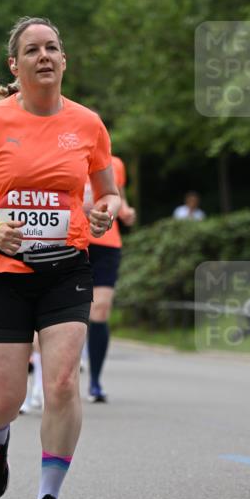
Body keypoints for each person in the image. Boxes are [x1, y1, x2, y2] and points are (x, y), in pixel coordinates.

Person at [0, 16, 120, 499]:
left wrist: (105, 210)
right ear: (14, 65)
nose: (44, 56)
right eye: (33, 50)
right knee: (7, 398)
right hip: (1, 270)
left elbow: (106, 190)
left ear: (64, 60)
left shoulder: (87, 123)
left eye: (52, 48)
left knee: (63, 381)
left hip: (66, 266)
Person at [84, 154, 136, 401]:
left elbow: (119, 199)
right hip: (73, 242)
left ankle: (95, 380)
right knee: (68, 313)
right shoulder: (61, 156)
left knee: (100, 310)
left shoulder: (114, 164)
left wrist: (125, 212)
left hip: (107, 242)